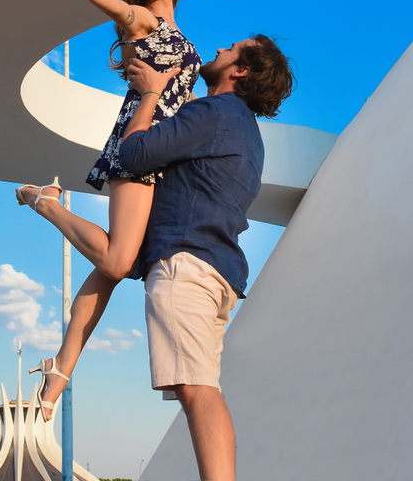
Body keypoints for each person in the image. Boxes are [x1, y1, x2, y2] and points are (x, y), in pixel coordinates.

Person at [15, 0, 202, 420]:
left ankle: (61, 367)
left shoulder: (182, 35)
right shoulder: (142, 20)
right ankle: (44, 201)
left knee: (115, 267)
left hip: (169, 153)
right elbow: (111, 4)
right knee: (119, 262)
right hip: (139, 143)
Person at [119, 35, 294, 481]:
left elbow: (135, 153)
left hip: (186, 263)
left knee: (198, 392)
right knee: (200, 389)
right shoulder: (246, 132)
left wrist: (151, 93)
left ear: (242, 71)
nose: (218, 50)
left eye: (231, 50)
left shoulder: (215, 113)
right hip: (218, 272)